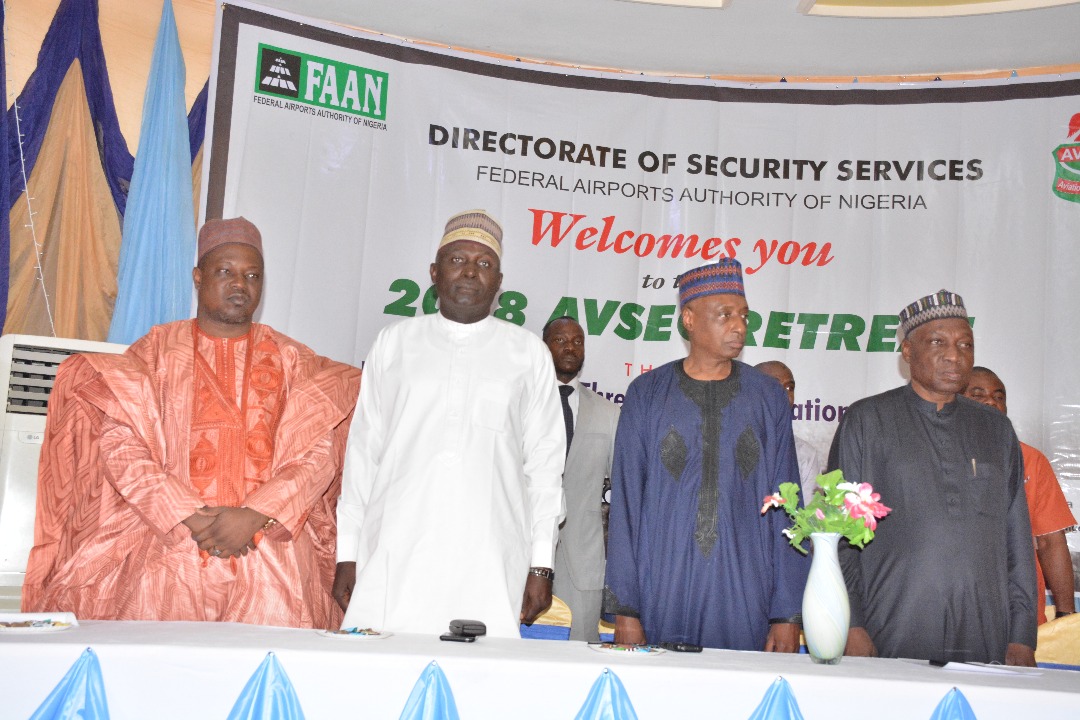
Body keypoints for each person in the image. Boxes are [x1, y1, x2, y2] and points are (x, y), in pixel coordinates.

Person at [22, 217, 361, 628]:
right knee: (163, 676)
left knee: (267, 677)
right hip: (170, 547)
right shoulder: (153, 354)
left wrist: (256, 514)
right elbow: (121, 447)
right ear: (198, 277)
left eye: (253, 275)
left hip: (270, 552)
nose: (241, 284)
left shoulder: (294, 361)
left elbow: (319, 453)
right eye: (226, 272)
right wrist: (188, 515)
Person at [333, 209, 566, 638]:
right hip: (395, 549)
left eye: (484, 264)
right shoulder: (395, 343)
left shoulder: (528, 353)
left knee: (483, 687)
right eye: (458, 260)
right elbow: (364, 453)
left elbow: (546, 468)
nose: (471, 272)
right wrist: (347, 552)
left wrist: (541, 564)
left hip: (492, 553)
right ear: (434, 272)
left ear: (498, 283)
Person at [603, 258, 808, 652]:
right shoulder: (647, 393)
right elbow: (626, 503)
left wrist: (786, 614)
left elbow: (788, 503)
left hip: (746, 587)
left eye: (744, 316)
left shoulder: (767, 397)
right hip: (661, 582)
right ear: (689, 320)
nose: (739, 326)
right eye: (724, 314)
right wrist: (626, 609)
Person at [828, 290, 1037, 665]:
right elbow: (840, 536)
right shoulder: (867, 420)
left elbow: (1017, 537)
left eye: (964, 344)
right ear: (907, 352)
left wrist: (1022, 633)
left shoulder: (997, 429)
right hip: (893, 622)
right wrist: (851, 622)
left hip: (986, 629)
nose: (954, 355)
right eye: (938, 342)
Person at [963, 366, 1076, 625]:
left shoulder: (1031, 460)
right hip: (952, 609)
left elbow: (1050, 543)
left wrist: (1066, 615)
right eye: (978, 395)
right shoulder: (934, 456)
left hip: (1019, 614)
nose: (991, 401)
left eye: (999, 396)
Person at [544, 316, 620, 642]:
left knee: (579, 662)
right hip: (517, 558)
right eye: (560, 340)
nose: (570, 347)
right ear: (544, 346)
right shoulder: (521, 402)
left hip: (584, 563)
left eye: (577, 341)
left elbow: (623, 492)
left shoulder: (609, 413)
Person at [756, 360, 824, 499]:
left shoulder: (805, 454)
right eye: (774, 387)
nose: (785, 396)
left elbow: (811, 516)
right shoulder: (728, 445)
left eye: (789, 388)